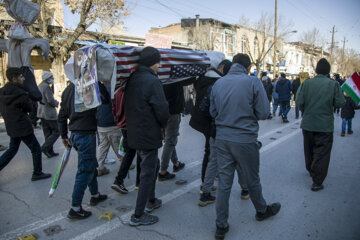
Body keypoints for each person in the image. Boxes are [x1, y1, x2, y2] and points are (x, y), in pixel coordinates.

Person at [210, 54, 281, 240]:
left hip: (223, 139)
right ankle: (261, 210)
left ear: (233, 64)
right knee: (252, 178)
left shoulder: (218, 84)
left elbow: (213, 112)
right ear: (248, 67)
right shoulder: (253, 82)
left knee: (224, 183)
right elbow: (264, 112)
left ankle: (221, 225)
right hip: (245, 139)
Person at [125, 47, 170, 226]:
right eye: (158, 62)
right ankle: (138, 215)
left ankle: (151, 200)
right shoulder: (152, 81)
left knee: (151, 166)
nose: (160, 65)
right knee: (147, 172)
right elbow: (162, 110)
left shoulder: (133, 78)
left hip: (135, 131)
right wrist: (163, 124)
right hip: (148, 132)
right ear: (154, 63)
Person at [195, 60, 249, 207]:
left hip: (216, 130)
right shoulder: (243, 86)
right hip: (234, 131)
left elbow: (208, 108)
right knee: (238, 161)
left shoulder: (216, 85)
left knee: (213, 160)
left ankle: (205, 193)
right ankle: (245, 190)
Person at [58, 80, 108, 220]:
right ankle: (75, 208)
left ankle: (95, 195)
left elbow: (61, 115)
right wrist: (99, 82)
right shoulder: (89, 86)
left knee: (91, 165)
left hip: (76, 134)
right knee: (85, 170)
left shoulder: (69, 89)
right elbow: (105, 100)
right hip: (85, 134)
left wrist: (63, 134)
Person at [296, 58, 345, 191]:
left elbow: (299, 101)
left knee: (309, 149)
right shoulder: (333, 84)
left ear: (316, 70)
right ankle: (317, 181)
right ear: (328, 71)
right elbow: (340, 103)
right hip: (325, 126)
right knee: (322, 153)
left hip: (308, 124)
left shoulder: (306, 83)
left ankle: (311, 170)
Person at [0, 68, 51, 181]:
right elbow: (29, 108)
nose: (23, 78)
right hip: (22, 125)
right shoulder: (21, 93)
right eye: (21, 76)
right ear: (14, 79)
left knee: (12, 150)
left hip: (12, 125)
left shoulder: (3, 92)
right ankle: (37, 173)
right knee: (36, 148)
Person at [190, 60, 232, 185]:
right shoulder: (217, 82)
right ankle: (205, 183)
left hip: (200, 118)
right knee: (210, 152)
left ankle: (210, 176)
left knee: (210, 150)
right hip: (209, 121)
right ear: (223, 69)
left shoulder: (204, 77)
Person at [158, 79, 193, 181]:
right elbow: (188, 80)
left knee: (168, 140)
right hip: (172, 112)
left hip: (161, 112)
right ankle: (163, 171)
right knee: (170, 141)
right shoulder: (174, 78)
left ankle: (176, 163)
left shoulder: (160, 77)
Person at [96, 84, 124, 176]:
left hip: (100, 123)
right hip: (111, 123)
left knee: (103, 145)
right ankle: (124, 163)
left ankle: (99, 167)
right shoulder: (113, 90)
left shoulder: (98, 89)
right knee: (116, 144)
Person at [37, 71, 60, 158]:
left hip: (41, 113)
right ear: (47, 78)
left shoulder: (40, 86)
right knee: (56, 131)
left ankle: (50, 151)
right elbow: (50, 100)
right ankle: (45, 147)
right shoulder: (46, 87)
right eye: (51, 77)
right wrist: (56, 103)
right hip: (48, 113)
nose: (52, 79)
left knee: (47, 133)